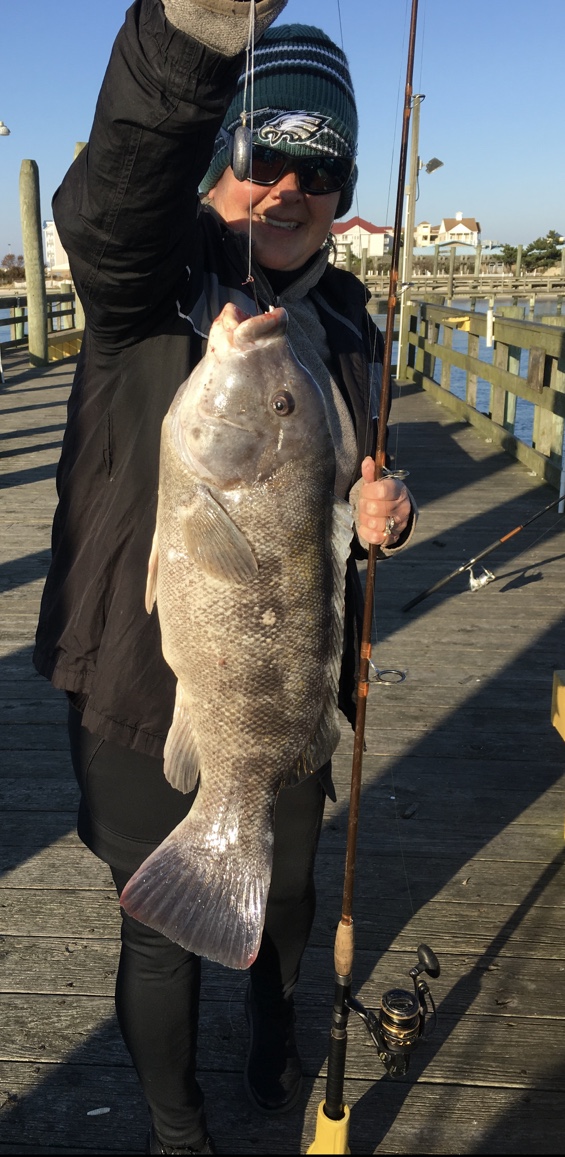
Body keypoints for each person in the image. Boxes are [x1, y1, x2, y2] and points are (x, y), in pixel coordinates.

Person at [33, 2, 416, 1153]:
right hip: (135, 682)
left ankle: (271, 1024)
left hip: (287, 685)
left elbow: (339, 490)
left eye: (320, 170)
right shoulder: (149, 279)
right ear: (218, 156)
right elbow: (112, 202)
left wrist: (376, 516)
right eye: (262, 156)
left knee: (286, 895)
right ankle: (175, 1128)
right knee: (157, 934)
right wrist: (195, 33)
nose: (287, 191)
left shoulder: (347, 321)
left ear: (343, 191)